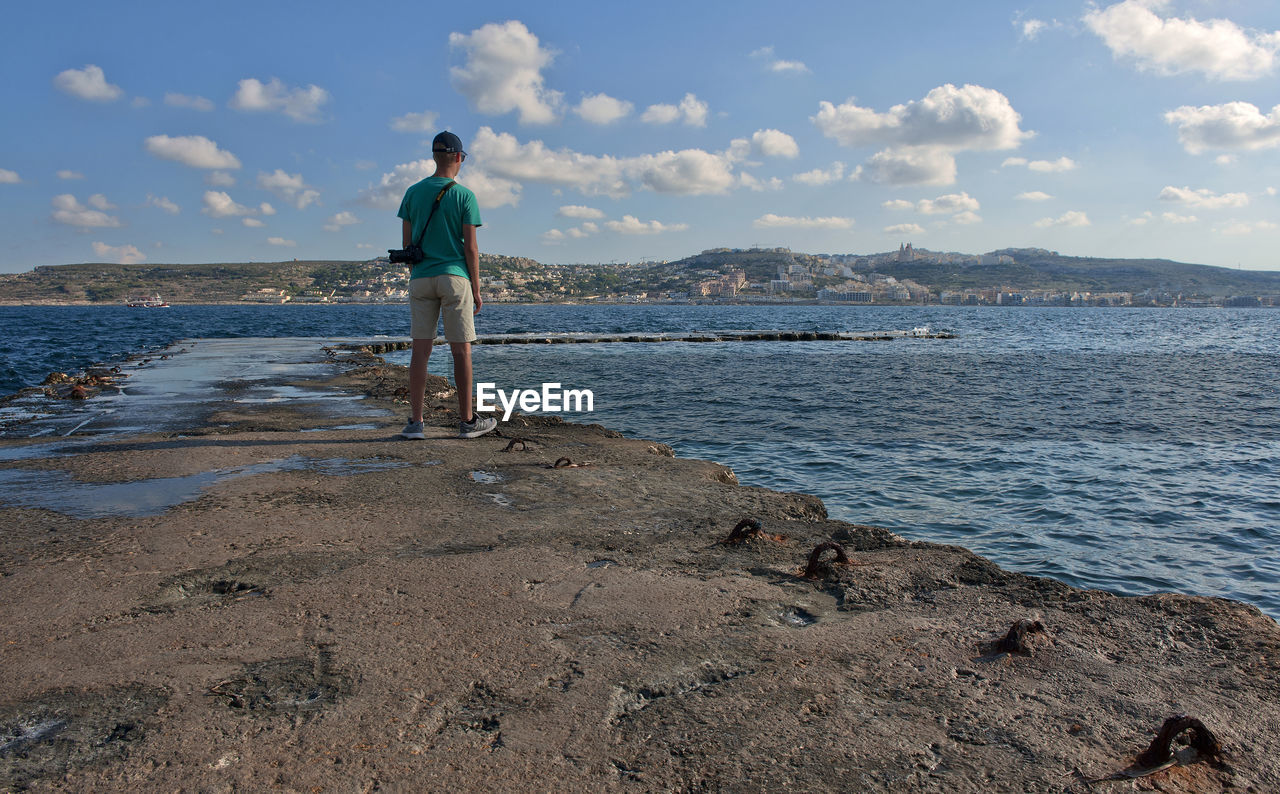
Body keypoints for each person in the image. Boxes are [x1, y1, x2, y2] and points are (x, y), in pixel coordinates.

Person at [397, 131, 497, 440]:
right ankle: (467, 422)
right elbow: (471, 249)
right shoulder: (465, 196)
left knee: (420, 351)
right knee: (461, 352)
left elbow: (407, 245)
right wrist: (476, 288)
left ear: (434, 156)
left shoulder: (413, 192)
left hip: (421, 277)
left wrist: (422, 269)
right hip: (455, 277)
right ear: (457, 157)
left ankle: (416, 423)